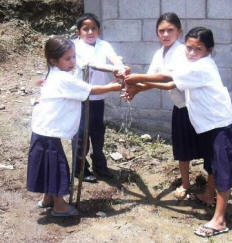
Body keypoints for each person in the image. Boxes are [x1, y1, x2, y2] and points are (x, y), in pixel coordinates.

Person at [123, 27, 232, 237]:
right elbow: (170, 83)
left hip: (219, 124)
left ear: (209, 51)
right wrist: (137, 85)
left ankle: (220, 220)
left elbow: (165, 78)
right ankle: (207, 197)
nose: (192, 53)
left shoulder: (203, 66)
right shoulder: (192, 63)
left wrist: (134, 78)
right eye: (189, 48)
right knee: (213, 164)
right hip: (209, 124)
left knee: (222, 170)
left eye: (198, 49)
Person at [27, 37, 122, 217]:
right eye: (68, 59)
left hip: (43, 128)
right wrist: (113, 87)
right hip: (48, 130)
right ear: (54, 60)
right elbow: (90, 90)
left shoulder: (54, 71)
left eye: (73, 57)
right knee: (56, 166)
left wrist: (115, 66)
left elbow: (85, 65)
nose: (73, 62)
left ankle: (47, 198)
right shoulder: (62, 78)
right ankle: (59, 205)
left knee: (48, 164)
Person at [126, 12, 202, 199]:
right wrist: (135, 89)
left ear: (179, 31)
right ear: (157, 33)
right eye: (161, 31)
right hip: (180, 107)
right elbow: (151, 79)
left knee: (207, 147)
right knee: (182, 148)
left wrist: (137, 79)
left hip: (198, 107)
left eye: (170, 30)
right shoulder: (159, 54)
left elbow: (168, 79)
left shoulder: (183, 52)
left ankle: (211, 188)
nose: (165, 34)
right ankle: (186, 183)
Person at [72, 13, 127, 182]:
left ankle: (99, 166)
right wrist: (113, 69)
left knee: (98, 133)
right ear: (78, 31)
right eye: (85, 29)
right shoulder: (74, 46)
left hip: (98, 98)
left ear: (99, 30)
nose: (90, 32)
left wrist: (120, 66)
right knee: (81, 135)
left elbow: (114, 58)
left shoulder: (104, 45)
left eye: (93, 28)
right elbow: (89, 64)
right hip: (81, 97)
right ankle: (80, 169)